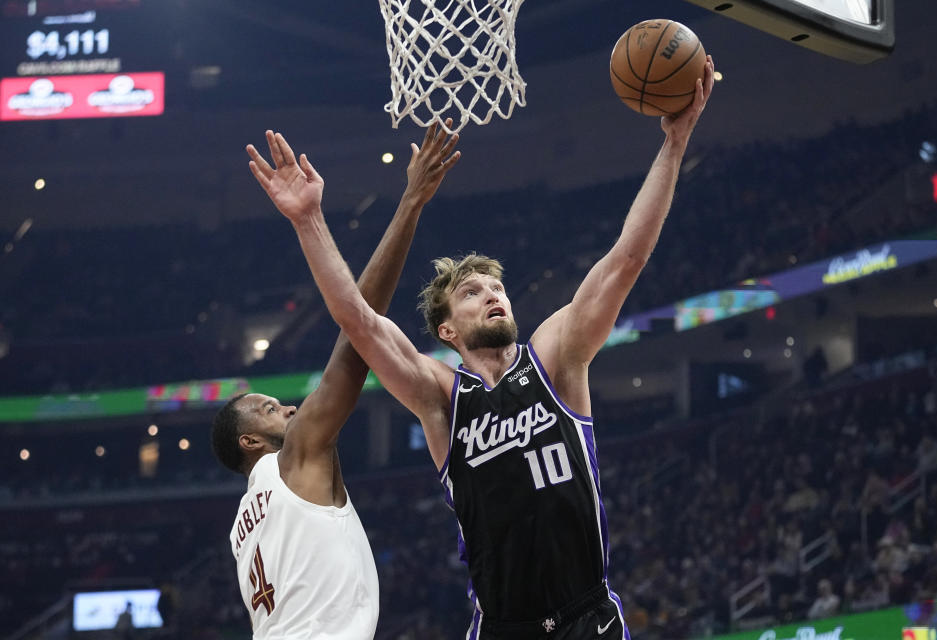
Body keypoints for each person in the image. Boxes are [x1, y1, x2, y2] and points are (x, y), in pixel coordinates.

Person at [261, 57, 713, 639]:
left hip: (588, 617)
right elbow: (360, 322)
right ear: (447, 330)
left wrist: (674, 145)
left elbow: (625, 259)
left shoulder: (555, 357)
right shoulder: (441, 398)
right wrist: (308, 221)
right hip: (505, 628)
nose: (492, 296)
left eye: (497, 288)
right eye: (472, 293)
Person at [211, 121, 460, 639]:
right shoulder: (292, 459)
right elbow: (357, 337)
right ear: (250, 441)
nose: (292, 410)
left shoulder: (241, 527)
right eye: (271, 409)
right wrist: (409, 203)